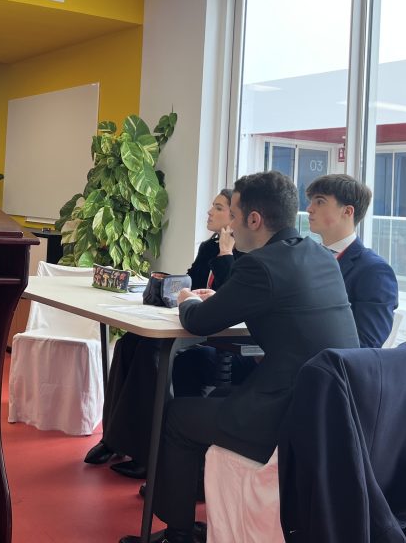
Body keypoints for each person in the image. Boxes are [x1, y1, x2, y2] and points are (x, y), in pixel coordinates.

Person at [125, 171, 360, 543]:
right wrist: (219, 300)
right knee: (215, 396)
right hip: (336, 411)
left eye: (233, 216)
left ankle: (178, 533)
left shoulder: (260, 264)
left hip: (287, 416)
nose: (230, 226)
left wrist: (187, 300)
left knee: (177, 417)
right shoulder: (319, 255)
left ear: (254, 219)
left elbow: (200, 322)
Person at [84, 190, 241, 479]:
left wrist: (226, 254)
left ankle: (146, 453)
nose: (209, 212)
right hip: (190, 322)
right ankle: (113, 439)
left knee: (151, 351)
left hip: (216, 335)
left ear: (234, 218)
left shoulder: (241, 253)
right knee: (129, 342)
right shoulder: (209, 246)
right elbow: (190, 281)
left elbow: (231, 295)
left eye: (218, 208)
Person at [306, 173, 399, 348]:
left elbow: (366, 344)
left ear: (347, 211)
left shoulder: (374, 271)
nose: (309, 208)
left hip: (326, 362)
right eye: (311, 201)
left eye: (319, 202)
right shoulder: (306, 257)